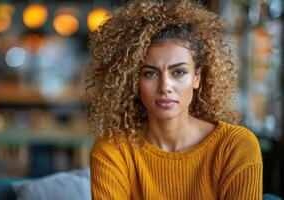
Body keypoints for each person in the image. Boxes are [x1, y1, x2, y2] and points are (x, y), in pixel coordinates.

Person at [86, 0, 263, 199]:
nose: (165, 87)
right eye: (150, 74)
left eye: (178, 72)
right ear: (133, 80)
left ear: (197, 77)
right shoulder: (113, 151)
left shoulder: (235, 146)